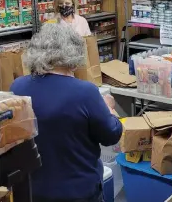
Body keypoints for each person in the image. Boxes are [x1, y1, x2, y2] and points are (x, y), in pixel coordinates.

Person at [10, 24, 123, 202]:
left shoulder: (18, 87)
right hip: (79, 192)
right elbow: (111, 135)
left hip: (32, 191)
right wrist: (109, 109)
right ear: (74, 52)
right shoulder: (85, 92)